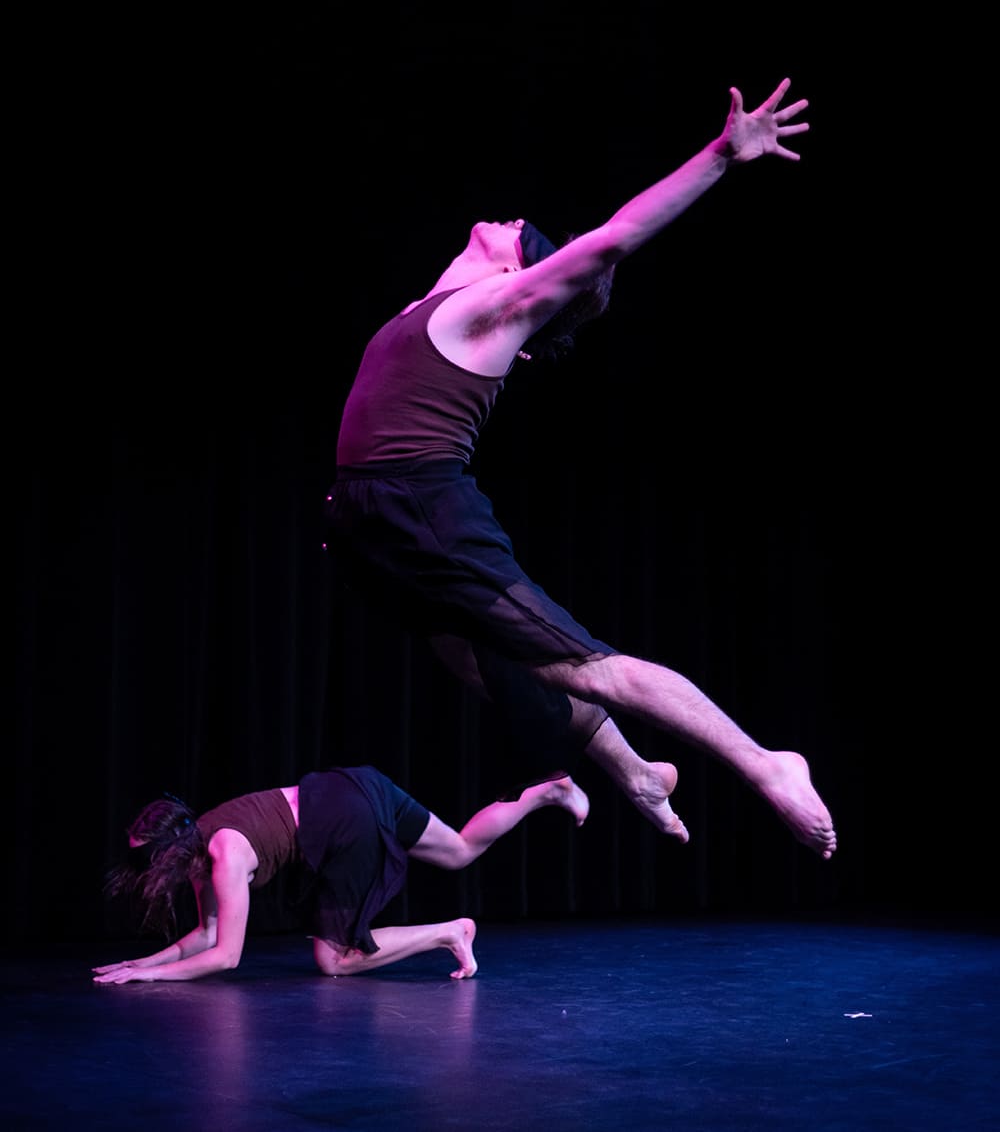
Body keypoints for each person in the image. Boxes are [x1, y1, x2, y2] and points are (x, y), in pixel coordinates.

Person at [322, 77, 837, 860]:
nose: (514, 219)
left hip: (422, 511)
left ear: (519, 283)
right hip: (374, 521)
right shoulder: (441, 303)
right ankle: (637, 772)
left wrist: (721, 156)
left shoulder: (492, 310)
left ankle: (768, 763)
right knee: (484, 665)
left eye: (525, 234)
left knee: (585, 666)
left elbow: (613, 239)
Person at [92, 765, 590, 983]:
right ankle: (549, 791)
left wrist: (152, 977)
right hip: (356, 785)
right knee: (460, 850)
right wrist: (141, 965)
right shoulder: (205, 841)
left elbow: (226, 956)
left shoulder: (225, 854)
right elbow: (207, 933)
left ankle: (448, 932)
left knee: (334, 961)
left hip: (347, 822)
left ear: (168, 854)